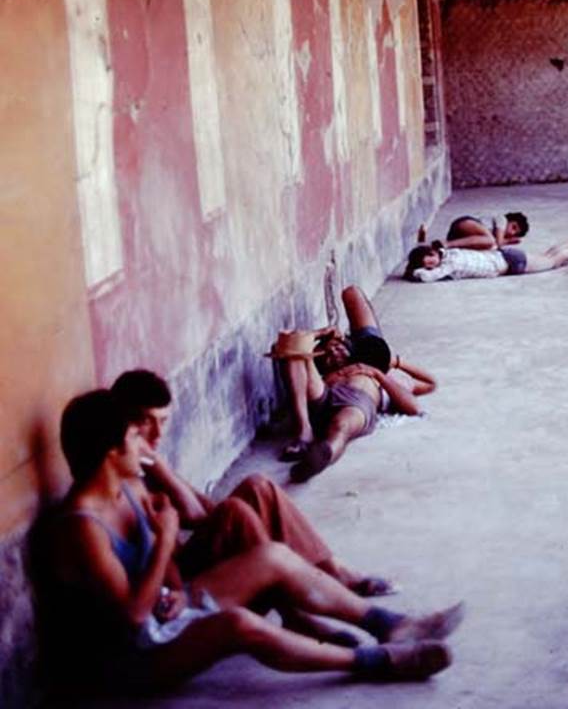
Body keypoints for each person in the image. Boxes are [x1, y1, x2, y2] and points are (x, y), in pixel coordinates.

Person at [45, 390, 463, 694]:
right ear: (110, 451)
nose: (146, 444)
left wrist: (173, 582)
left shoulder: (129, 489)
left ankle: (389, 625)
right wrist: (165, 541)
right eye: (136, 437)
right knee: (239, 626)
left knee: (274, 557)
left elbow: (167, 562)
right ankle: (375, 662)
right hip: (134, 658)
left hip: (162, 610)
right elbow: (134, 619)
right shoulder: (82, 526)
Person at [110, 368, 392, 597]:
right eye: (149, 422)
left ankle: (331, 568)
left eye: (164, 421)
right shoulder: (128, 466)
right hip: (176, 581)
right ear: (128, 424)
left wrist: (236, 512)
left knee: (257, 487)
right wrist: (158, 465)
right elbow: (195, 516)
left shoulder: (141, 457)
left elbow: (206, 507)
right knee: (238, 510)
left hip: (182, 559)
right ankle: (297, 594)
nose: (159, 432)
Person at [271, 286, 436, 480]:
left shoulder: (379, 374)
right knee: (295, 351)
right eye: (328, 353)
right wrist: (321, 332)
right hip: (323, 393)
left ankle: (322, 456)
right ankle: (304, 430)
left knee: (342, 426)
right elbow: (288, 343)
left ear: (350, 349)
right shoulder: (326, 374)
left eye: (337, 348)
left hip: (356, 402)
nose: (333, 353)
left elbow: (425, 390)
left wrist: (385, 368)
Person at [404, 232, 568, 282]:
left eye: (429, 260)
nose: (430, 265)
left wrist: (415, 271)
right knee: (549, 255)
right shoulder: (450, 254)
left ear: (432, 253)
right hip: (505, 257)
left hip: (510, 262)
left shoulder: (449, 264)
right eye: (427, 265)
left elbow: (428, 277)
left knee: (553, 261)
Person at [418, 211, 529, 251]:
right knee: (491, 241)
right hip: (465, 223)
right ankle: (446, 244)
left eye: (516, 233)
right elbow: (499, 243)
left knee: (488, 244)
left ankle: (444, 245)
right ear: (510, 220)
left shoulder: (493, 237)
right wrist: (509, 241)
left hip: (461, 236)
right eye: (513, 227)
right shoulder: (502, 220)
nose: (512, 232)